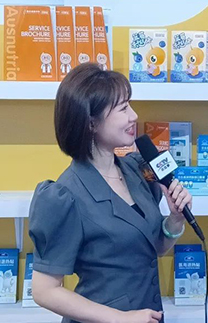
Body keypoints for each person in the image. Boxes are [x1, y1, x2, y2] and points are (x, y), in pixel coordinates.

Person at [28, 63, 193, 323]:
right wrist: (120, 318)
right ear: (91, 122)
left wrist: (175, 220)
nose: (134, 116)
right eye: (123, 108)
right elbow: (44, 291)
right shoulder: (64, 196)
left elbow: (151, 249)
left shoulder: (137, 170)